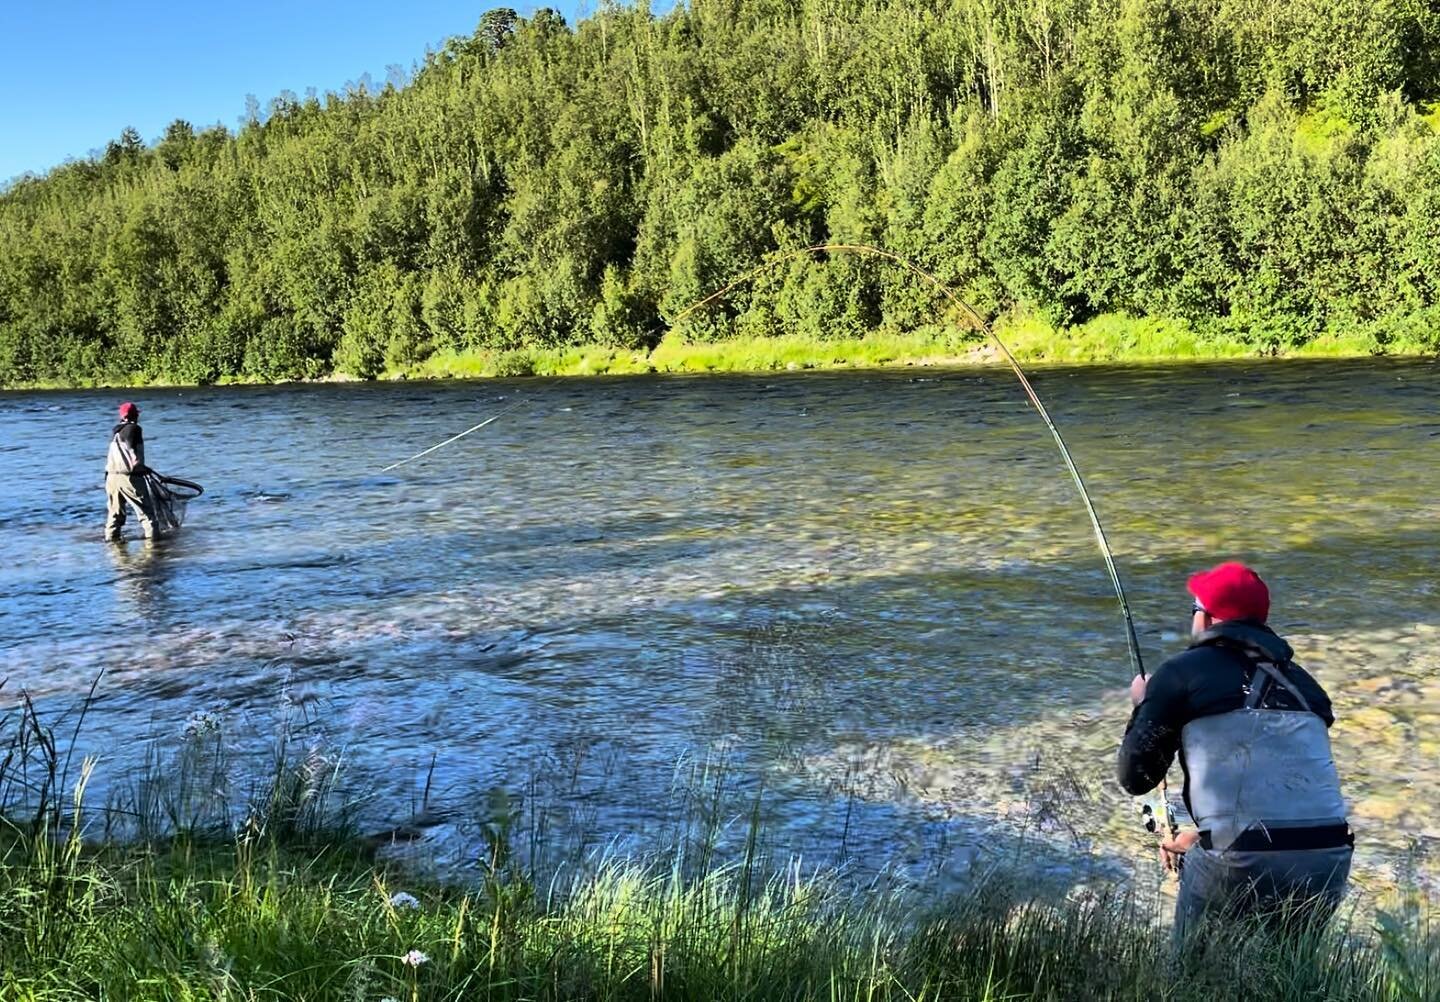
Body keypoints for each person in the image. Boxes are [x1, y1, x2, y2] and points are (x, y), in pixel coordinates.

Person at [1117, 561, 1352, 939]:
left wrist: (1143, 706)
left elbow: (1136, 777)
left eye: (1194, 610)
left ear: (1207, 619)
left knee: (1193, 982)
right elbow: (1285, 790)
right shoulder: (1307, 687)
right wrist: (1201, 836)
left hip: (1239, 861)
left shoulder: (1181, 674)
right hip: (1329, 860)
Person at [105, 401, 158, 541]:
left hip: (111, 479)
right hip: (130, 478)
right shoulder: (134, 429)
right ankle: (154, 549)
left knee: (114, 515)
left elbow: (120, 455)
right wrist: (137, 462)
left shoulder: (115, 432)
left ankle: (112, 546)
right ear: (135, 415)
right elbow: (130, 447)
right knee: (147, 515)